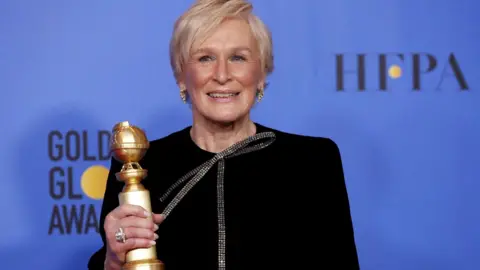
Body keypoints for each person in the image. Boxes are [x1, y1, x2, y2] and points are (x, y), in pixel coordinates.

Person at [88, 0, 360, 269]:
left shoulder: (312, 161)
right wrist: (113, 260)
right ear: (181, 76)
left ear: (262, 74)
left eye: (238, 57)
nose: (222, 75)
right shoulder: (142, 164)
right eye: (206, 58)